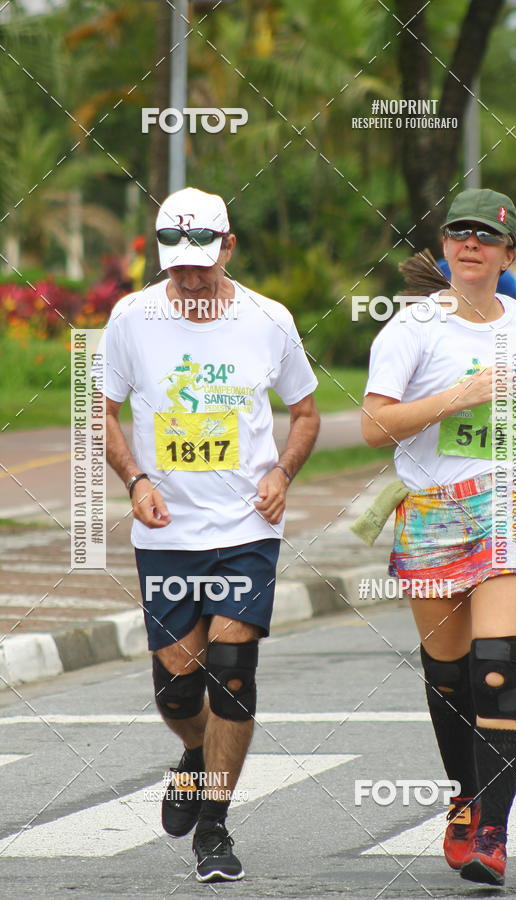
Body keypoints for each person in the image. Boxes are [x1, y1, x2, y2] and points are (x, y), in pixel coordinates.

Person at [362, 188, 516, 886]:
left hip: (509, 501)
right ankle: (465, 797)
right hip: (431, 508)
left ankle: (492, 832)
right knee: (449, 675)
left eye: (486, 237)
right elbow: (374, 425)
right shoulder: (412, 328)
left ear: (507, 254)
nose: (471, 244)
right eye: (460, 233)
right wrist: (459, 395)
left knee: (497, 669)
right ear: (445, 247)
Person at [102, 186, 320, 883]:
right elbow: (101, 411)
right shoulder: (132, 318)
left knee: (231, 674)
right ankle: (195, 756)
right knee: (177, 690)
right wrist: (135, 479)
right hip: (167, 534)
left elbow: (306, 413)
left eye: (202, 261)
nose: (190, 277)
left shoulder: (268, 319)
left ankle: (216, 827)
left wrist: (283, 471)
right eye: (177, 263)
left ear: (229, 247)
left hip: (244, 528)